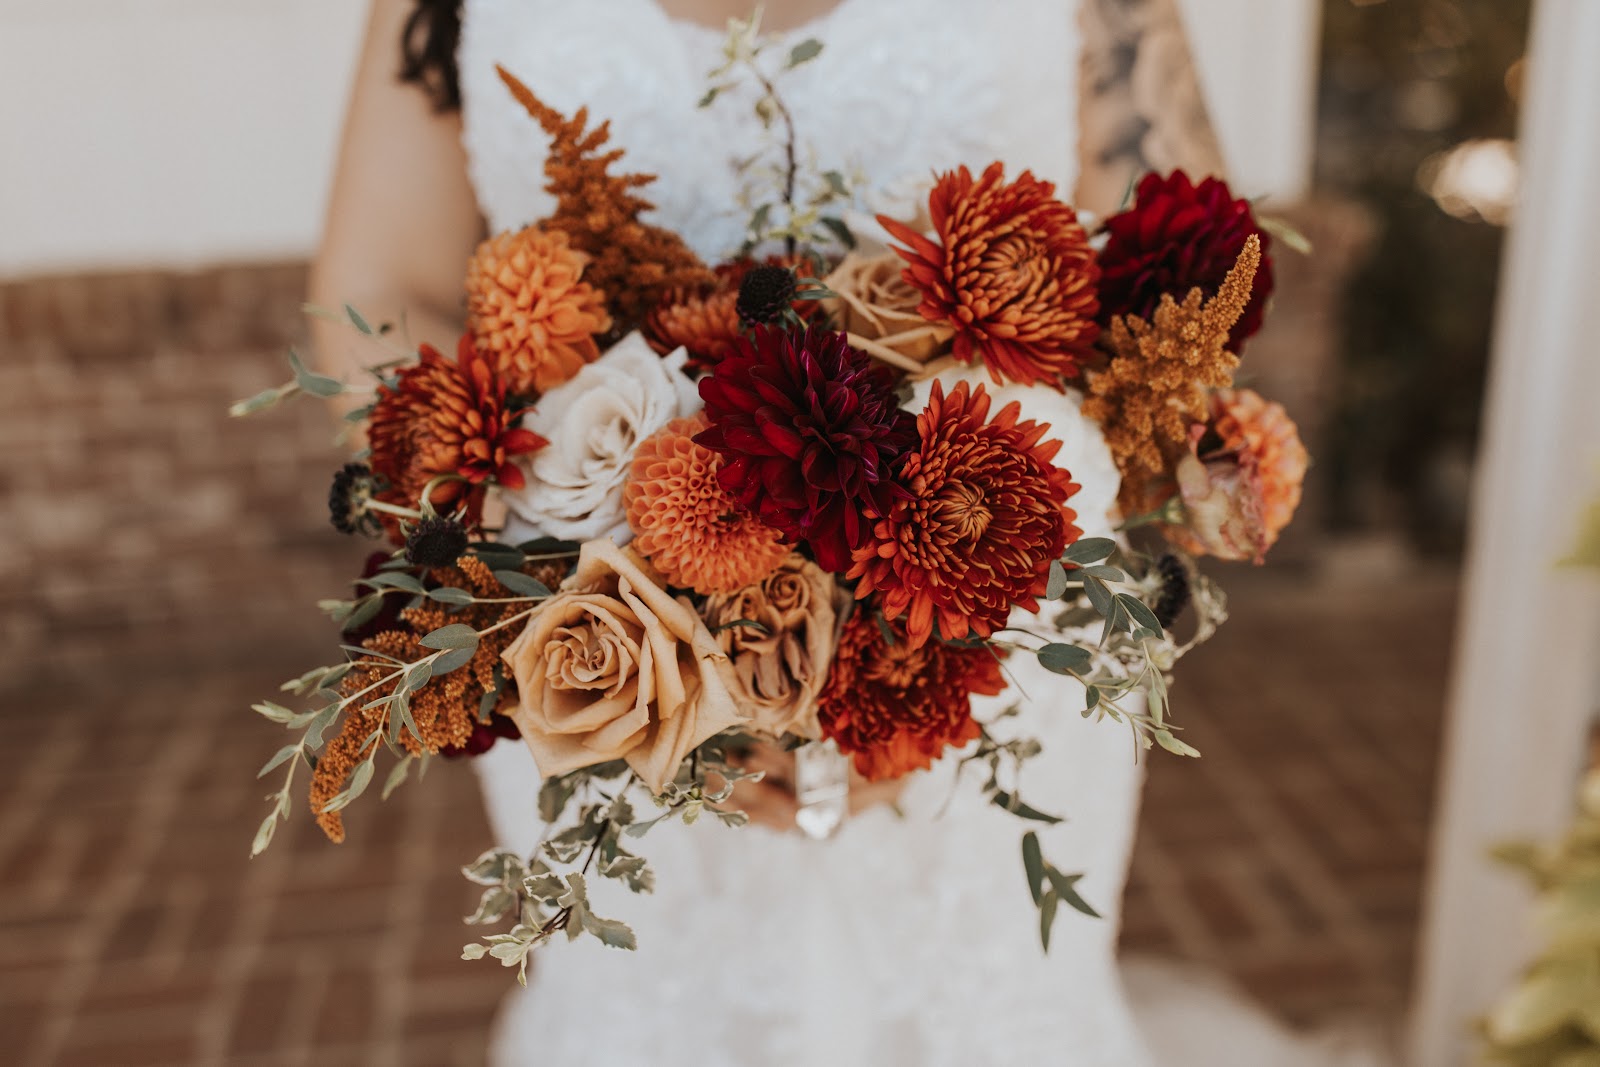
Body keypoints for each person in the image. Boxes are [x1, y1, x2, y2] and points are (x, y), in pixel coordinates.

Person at [310, 3, 1388, 1064]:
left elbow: (1187, 284)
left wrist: (925, 636)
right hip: (607, 637)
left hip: (997, 624)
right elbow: (377, 291)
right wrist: (614, 578)